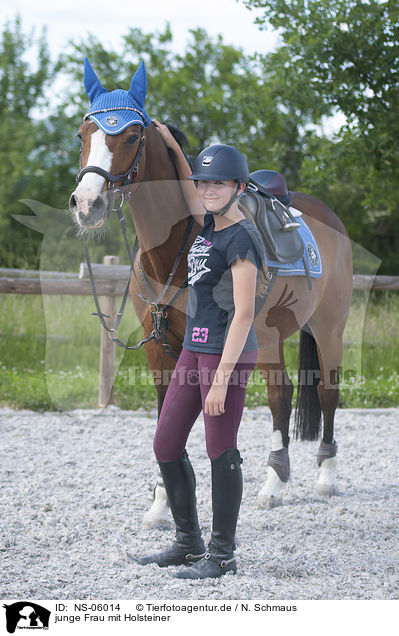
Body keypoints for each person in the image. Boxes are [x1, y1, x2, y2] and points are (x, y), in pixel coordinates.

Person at [136, 120, 267, 579]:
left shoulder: (243, 238)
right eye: (204, 182)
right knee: (166, 442)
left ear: (239, 187)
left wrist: (222, 378)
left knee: (219, 449)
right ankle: (188, 543)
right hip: (193, 349)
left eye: (218, 183)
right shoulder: (207, 224)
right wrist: (171, 143)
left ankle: (223, 555)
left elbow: (245, 314)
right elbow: (193, 197)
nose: (208, 190)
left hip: (225, 356)